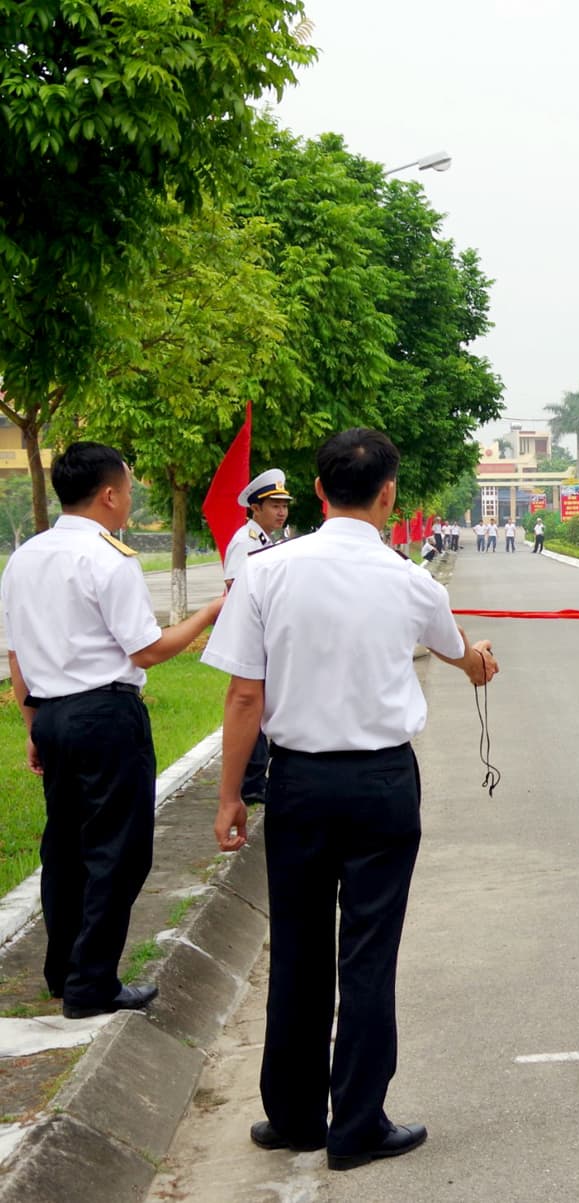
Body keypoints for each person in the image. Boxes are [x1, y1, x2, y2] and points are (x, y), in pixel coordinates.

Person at [203, 427, 500, 1167]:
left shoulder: (268, 573)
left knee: (298, 947)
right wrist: (479, 663)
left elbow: (245, 694)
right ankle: (357, 1123)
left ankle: (295, 1115)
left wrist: (231, 794)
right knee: (368, 952)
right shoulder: (411, 580)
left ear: (317, 489)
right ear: (389, 492)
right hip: (381, 785)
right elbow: (458, 651)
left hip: (299, 782)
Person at [1, 443, 223, 1018]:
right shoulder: (109, 557)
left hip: (51, 714)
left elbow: (16, 655)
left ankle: (62, 971)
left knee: (66, 847)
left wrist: (33, 725)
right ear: (108, 494)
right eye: (126, 488)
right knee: (117, 853)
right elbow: (147, 651)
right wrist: (206, 614)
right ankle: (92, 983)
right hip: (104, 716)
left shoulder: (25, 557)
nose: (128, 499)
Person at [222, 468, 294, 807]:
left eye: (284, 505)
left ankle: (255, 779)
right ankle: (251, 784)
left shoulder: (265, 540)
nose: (281, 511)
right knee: (250, 702)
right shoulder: (246, 541)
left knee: (261, 705)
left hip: (266, 634)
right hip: (252, 635)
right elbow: (236, 589)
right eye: (273, 505)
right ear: (255, 507)